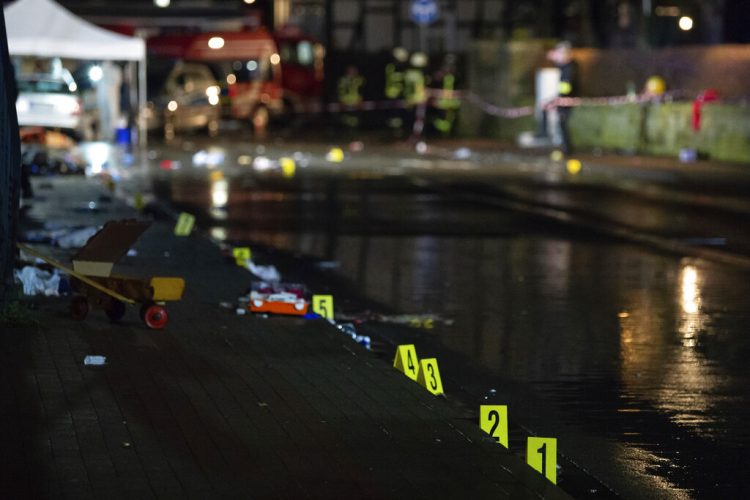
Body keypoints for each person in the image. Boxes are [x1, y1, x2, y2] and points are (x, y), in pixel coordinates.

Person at [547, 41, 577, 154]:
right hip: (561, 101)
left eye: (560, 53)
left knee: (563, 123)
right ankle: (565, 147)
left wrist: (559, 96)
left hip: (566, 101)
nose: (558, 55)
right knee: (561, 124)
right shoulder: (563, 66)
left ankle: (567, 149)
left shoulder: (570, 68)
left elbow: (566, 86)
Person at [429, 54, 460, 136]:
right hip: (441, 103)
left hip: (451, 103)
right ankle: (440, 134)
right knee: (441, 119)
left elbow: (458, 88)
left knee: (451, 120)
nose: (450, 68)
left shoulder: (456, 76)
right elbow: (434, 88)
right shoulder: (439, 76)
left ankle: (450, 134)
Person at [384, 47, 409, 135]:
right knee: (395, 117)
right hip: (394, 94)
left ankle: (397, 132)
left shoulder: (395, 67)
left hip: (397, 94)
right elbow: (397, 79)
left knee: (399, 116)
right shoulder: (393, 67)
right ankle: (395, 133)